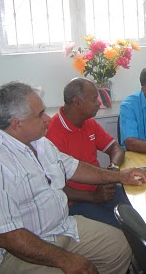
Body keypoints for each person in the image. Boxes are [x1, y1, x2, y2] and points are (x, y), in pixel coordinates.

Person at [0, 81, 146, 273]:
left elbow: (74, 167)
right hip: (16, 251)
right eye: (40, 114)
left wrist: (120, 176)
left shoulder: (39, 142)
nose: (48, 119)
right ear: (17, 124)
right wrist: (66, 260)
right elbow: (7, 237)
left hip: (61, 227)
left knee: (120, 247)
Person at [47, 77, 130, 228]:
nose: (99, 102)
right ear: (77, 101)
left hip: (101, 189)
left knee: (139, 215)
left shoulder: (88, 122)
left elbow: (115, 148)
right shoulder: (52, 134)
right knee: (119, 228)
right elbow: (53, 187)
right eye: (94, 99)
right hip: (75, 201)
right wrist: (93, 196)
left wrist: (113, 169)